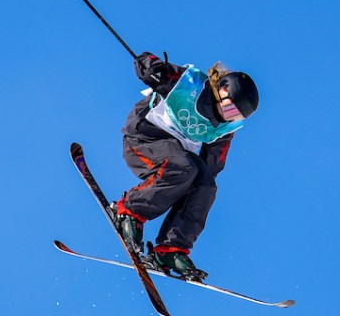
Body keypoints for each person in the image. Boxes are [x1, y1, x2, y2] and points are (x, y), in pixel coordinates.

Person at [109, 51, 259, 282]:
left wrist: (198, 190)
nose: (229, 118)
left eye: (236, 117)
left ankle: (171, 249)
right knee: (182, 167)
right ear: (222, 91)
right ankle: (129, 211)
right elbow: (146, 60)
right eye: (230, 109)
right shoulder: (188, 83)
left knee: (206, 184)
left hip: (176, 156)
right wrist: (154, 70)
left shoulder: (224, 129)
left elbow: (212, 165)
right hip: (144, 140)